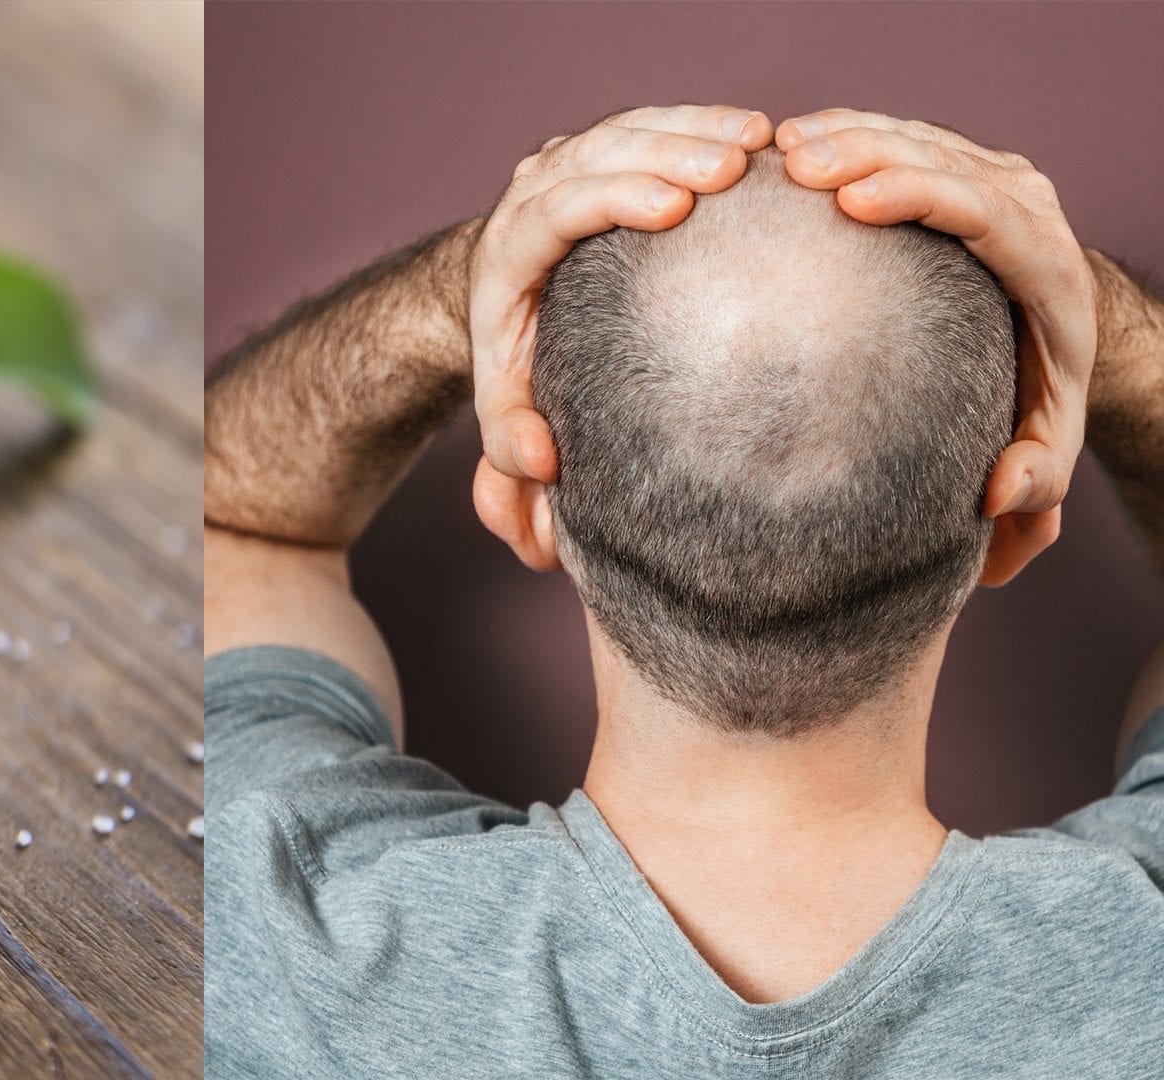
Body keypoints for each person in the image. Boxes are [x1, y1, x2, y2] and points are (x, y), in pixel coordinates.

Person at [203, 105, 1164, 1076]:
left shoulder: (286, 920)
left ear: (526, 509)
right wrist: (1100, 323)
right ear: (1020, 524)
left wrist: (465, 283)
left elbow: (226, 516)